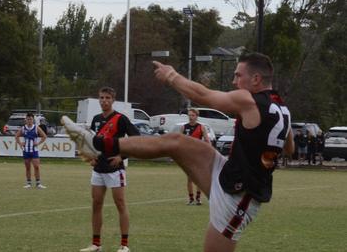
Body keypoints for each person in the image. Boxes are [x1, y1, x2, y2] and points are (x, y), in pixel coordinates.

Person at [63, 53, 294, 252]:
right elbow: (289, 148)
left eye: (238, 75)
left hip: (239, 196)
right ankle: (99, 145)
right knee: (175, 141)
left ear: (256, 79)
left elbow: (204, 96)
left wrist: (172, 76)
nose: (234, 81)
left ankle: (98, 145)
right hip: (229, 172)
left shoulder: (248, 99)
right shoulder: (283, 110)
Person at [79, 87, 140, 252]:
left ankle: (124, 245)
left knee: (120, 204)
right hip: (98, 169)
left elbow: (137, 139)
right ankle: (96, 244)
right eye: (101, 97)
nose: (104, 100)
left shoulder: (121, 119)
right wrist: (91, 157)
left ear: (113, 100)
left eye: (107, 98)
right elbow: (93, 143)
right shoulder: (96, 119)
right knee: (96, 204)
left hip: (115, 170)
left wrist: (122, 156)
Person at [180, 108, 211, 205]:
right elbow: (179, 142)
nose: (191, 117)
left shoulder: (201, 127)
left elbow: (207, 141)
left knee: (198, 178)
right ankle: (191, 199)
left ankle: (198, 198)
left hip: (198, 156)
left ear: (197, 116)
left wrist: (208, 152)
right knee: (189, 178)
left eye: (193, 115)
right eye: (189, 115)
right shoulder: (184, 127)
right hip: (188, 156)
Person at [15, 112, 47, 189]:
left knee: (36, 166)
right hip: (26, 151)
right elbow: (16, 136)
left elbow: (44, 136)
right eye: (28, 119)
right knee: (28, 167)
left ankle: (38, 183)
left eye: (31, 119)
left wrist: (38, 143)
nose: (29, 121)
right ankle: (28, 183)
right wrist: (20, 143)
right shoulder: (23, 128)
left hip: (34, 150)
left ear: (33, 120)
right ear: (26, 120)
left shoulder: (36, 128)